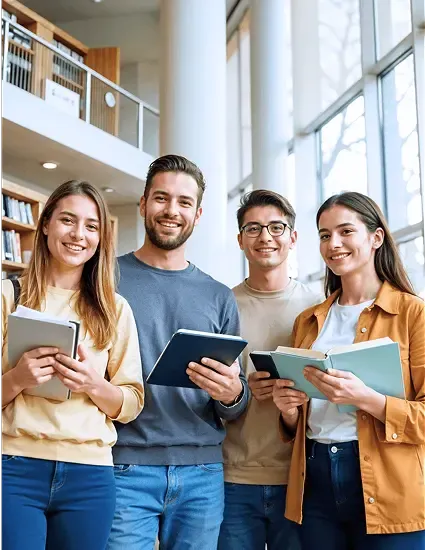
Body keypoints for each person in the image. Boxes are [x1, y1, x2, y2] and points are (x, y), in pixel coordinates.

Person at [107, 154, 249, 550]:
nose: (172, 210)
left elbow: (238, 404)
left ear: (198, 213)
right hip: (122, 464)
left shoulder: (219, 296)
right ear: (143, 204)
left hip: (202, 472)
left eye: (184, 202)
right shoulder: (104, 279)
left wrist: (231, 394)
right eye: (161, 198)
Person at [273, 191, 425, 549]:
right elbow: (302, 421)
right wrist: (289, 411)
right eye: (325, 235)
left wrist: (369, 400)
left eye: (345, 232)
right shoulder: (307, 321)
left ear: (375, 238)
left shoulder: (412, 314)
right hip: (315, 481)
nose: (333, 244)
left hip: (389, 486)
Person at [1, 180, 144, 550]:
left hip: (90, 475)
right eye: (68, 220)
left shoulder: (115, 308)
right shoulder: (7, 296)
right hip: (14, 467)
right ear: (46, 224)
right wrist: (17, 378)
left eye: (91, 226)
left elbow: (130, 405)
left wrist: (93, 384)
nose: (78, 234)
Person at [218, 190, 321, 550]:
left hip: (301, 479)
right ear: (240, 239)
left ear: (293, 237)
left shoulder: (318, 307)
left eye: (277, 227)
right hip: (232, 477)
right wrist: (240, 391)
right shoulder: (220, 304)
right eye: (253, 228)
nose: (265, 237)